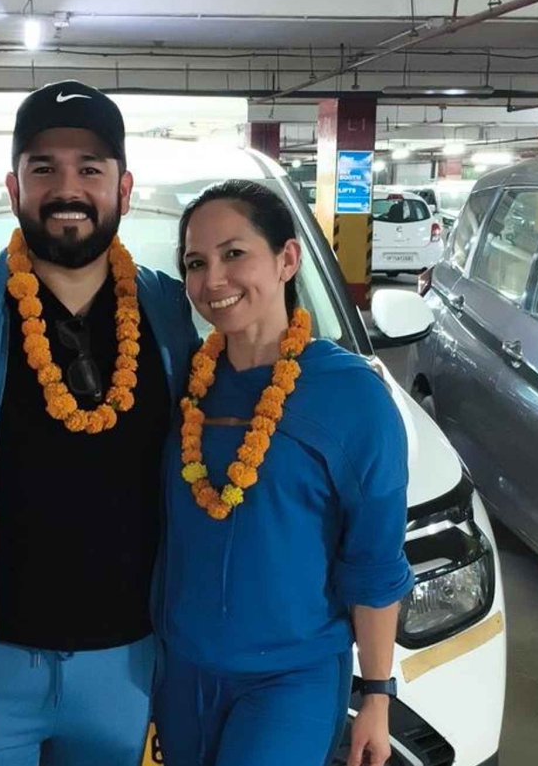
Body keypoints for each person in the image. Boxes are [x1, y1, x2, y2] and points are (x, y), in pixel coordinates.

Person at [0, 80, 196, 765]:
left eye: (90, 169)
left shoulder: (169, 315)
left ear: (124, 189)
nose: (67, 188)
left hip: (130, 667)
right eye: (43, 167)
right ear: (14, 188)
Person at [154, 180, 412, 766]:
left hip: (291, 681)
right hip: (181, 672)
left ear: (287, 259)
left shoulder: (351, 397)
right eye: (196, 263)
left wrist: (377, 694)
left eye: (234, 253)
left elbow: (374, 561)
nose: (213, 279)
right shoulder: (182, 385)